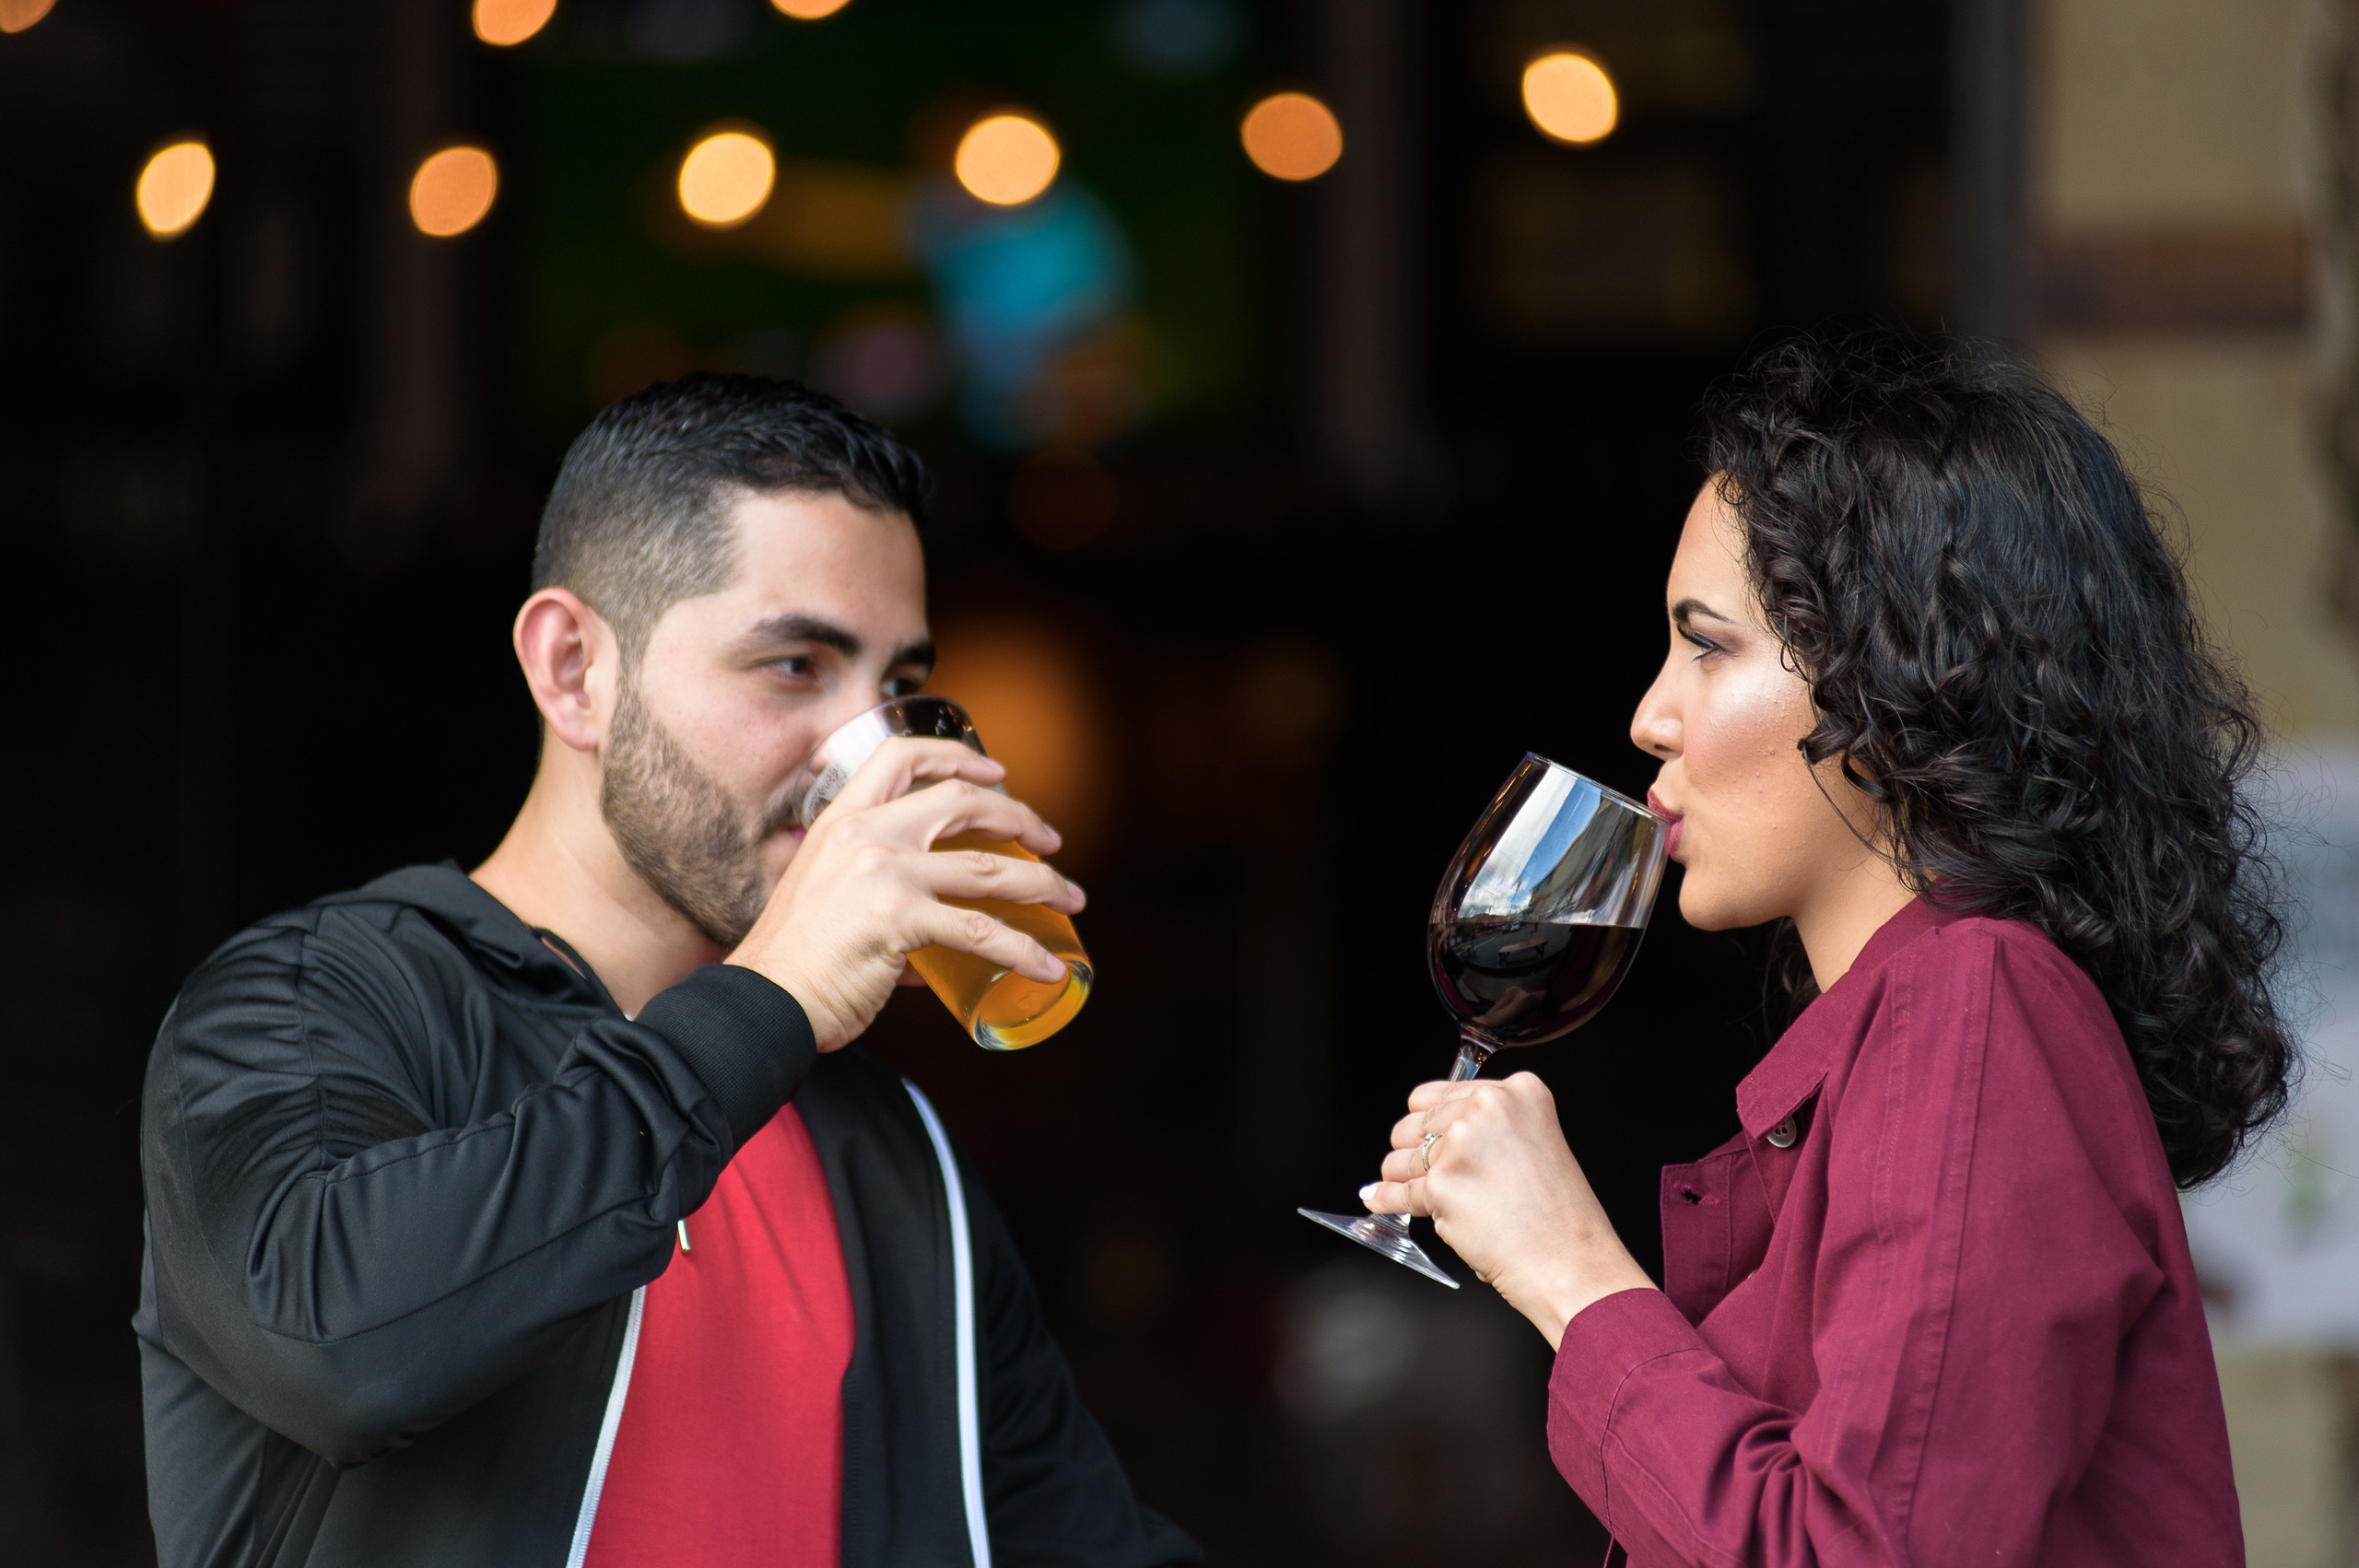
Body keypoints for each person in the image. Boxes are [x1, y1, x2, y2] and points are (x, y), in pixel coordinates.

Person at [136, 375, 1198, 1568]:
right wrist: (771, 1001)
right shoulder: (317, 998)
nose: (873, 756)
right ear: (574, 670)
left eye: (897, 688)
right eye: (796, 666)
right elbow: (335, 1342)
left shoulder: (892, 1145)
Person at [1363, 337, 2286, 1566]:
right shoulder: (1927, 1017)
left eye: (1710, 645)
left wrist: (1567, 1269)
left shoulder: (1975, 1004)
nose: (1652, 715)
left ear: (1900, 675)